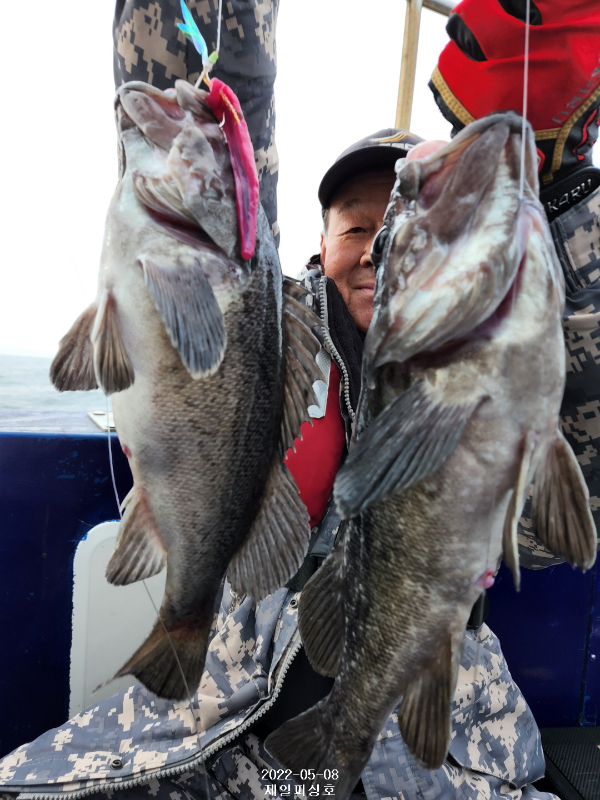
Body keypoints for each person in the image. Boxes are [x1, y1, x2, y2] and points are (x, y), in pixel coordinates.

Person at [1, 1, 599, 799]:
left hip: (438, 718)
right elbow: (217, 170)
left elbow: (566, 487)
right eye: (355, 228)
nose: (376, 249)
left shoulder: (489, 352)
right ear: (317, 244)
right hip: (223, 707)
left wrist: (565, 185)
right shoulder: (259, 322)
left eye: (402, 230)